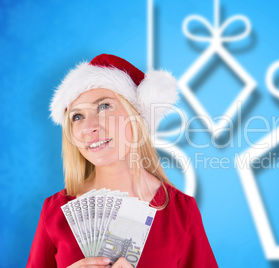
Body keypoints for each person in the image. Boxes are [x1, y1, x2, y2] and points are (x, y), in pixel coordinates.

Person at [27, 54, 218, 268]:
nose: (88, 127)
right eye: (77, 116)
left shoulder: (181, 212)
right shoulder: (55, 211)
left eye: (104, 106)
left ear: (136, 116)